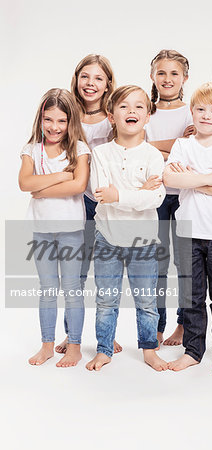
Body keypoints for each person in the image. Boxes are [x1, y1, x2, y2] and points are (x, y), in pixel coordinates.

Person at [86, 85, 168, 372]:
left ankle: (149, 349)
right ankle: (104, 349)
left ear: (147, 116)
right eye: (123, 106)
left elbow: (155, 198)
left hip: (143, 241)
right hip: (107, 237)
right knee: (106, 300)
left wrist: (119, 195)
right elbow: (100, 194)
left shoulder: (153, 156)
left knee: (146, 301)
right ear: (111, 116)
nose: (131, 111)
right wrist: (138, 192)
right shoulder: (100, 154)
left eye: (138, 107)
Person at [164, 82, 212, 373]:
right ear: (192, 111)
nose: (206, 115)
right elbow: (171, 180)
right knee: (192, 296)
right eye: (200, 109)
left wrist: (194, 180)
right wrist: (210, 177)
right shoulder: (183, 146)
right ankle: (193, 350)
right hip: (188, 232)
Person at [56, 54, 123, 354]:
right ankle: (72, 336)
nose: (91, 83)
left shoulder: (116, 115)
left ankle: (106, 334)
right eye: (85, 76)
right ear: (76, 79)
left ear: (108, 83)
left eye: (98, 78)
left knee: (108, 276)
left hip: (108, 206)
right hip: (76, 203)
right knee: (76, 275)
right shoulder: (67, 115)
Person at [19, 88, 90, 367]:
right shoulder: (31, 150)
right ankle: (47, 344)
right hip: (42, 229)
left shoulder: (79, 149)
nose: (54, 127)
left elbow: (79, 185)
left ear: (71, 122)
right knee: (47, 288)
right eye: (48, 120)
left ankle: (74, 345)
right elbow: (25, 183)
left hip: (71, 229)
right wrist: (61, 175)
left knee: (72, 288)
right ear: (40, 119)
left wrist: (43, 187)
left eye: (61, 121)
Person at [145, 49, 194, 347]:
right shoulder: (145, 111)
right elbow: (139, 147)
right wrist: (177, 145)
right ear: (152, 76)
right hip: (157, 197)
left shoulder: (193, 111)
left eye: (174, 73)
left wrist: (154, 147)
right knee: (158, 264)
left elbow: (194, 152)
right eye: (161, 72)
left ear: (184, 78)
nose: (167, 79)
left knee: (187, 264)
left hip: (188, 195)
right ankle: (158, 325)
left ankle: (183, 324)